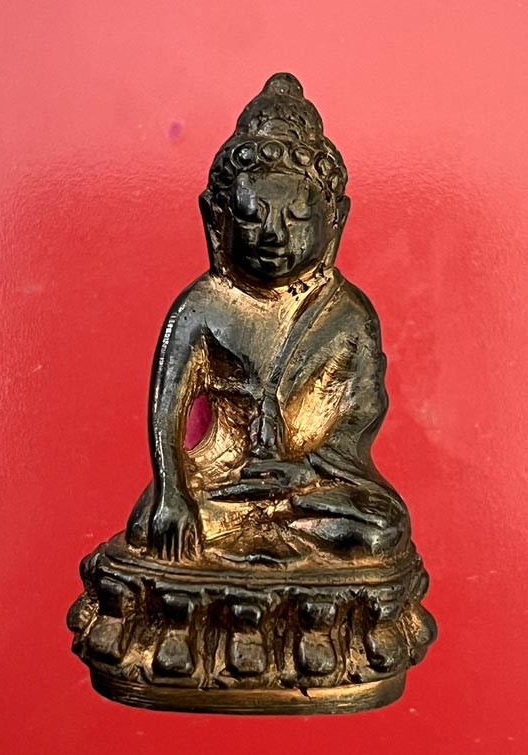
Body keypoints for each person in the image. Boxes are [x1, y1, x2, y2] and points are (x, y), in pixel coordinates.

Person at [127, 73, 409, 564]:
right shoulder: (203, 306)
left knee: (381, 529)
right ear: (216, 219)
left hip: (310, 488)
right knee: (150, 525)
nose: (273, 234)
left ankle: (268, 533)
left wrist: (306, 472)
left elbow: (357, 418)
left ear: (335, 219)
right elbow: (166, 408)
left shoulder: (348, 315)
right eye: (251, 215)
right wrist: (173, 492)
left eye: (296, 217)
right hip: (224, 480)